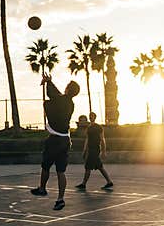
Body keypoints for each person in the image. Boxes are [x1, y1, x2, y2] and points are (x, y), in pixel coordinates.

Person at [30, 75, 80, 210]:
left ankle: (42, 188)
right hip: (65, 140)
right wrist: (50, 82)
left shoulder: (62, 100)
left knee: (45, 166)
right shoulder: (70, 103)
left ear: (69, 89)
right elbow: (56, 95)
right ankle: (60, 199)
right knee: (61, 171)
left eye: (67, 86)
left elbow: (53, 95)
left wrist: (48, 82)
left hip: (55, 140)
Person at [77, 112, 113, 190]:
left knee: (88, 167)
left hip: (95, 149)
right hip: (90, 149)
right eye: (90, 116)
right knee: (99, 167)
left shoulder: (98, 127)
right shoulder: (88, 127)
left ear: (95, 117)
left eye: (92, 116)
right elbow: (87, 139)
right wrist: (84, 150)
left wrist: (104, 151)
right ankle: (109, 182)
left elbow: (102, 139)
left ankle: (83, 184)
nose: (91, 117)